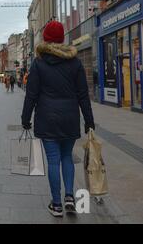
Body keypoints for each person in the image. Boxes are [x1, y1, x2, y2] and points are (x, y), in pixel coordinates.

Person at [21, 21, 95, 218]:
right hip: (70, 117)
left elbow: (31, 94)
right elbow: (83, 94)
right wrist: (89, 120)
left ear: (46, 39)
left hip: (47, 117)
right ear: (62, 38)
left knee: (53, 160)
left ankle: (56, 204)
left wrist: (25, 117)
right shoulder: (75, 62)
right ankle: (69, 196)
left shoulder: (38, 63)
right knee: (67, 157)